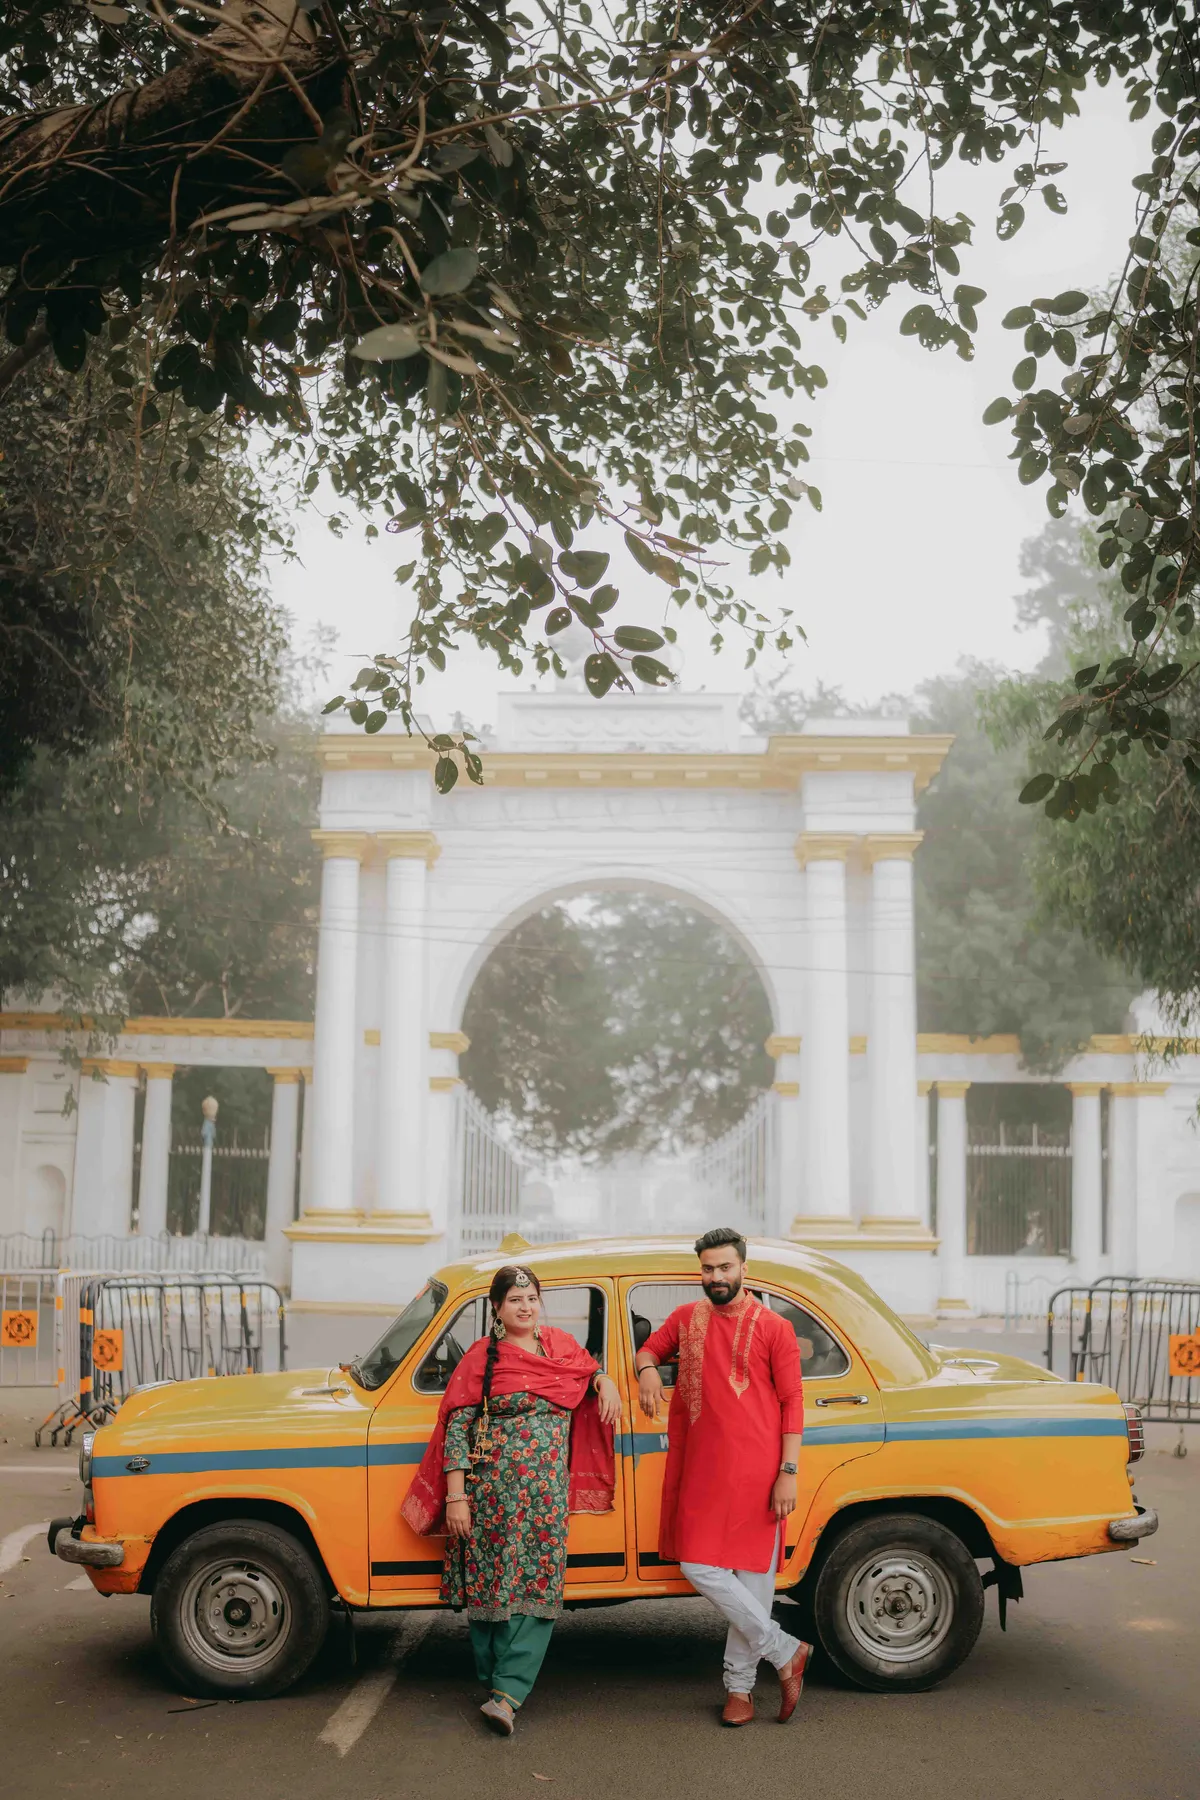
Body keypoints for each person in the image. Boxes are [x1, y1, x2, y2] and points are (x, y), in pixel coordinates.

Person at [402, 1264, 621, 1735]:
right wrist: (456, 1497)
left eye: (532, 1298)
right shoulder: (484, 1357)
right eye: (515, 1300)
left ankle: (508, 1694)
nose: (526, 1307)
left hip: (545, 1496)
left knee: (538, 1585)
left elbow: (587, 1369)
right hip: (489, 1495)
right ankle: (494, 1680)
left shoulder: (558, 1346)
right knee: (491, 1584)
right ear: (498, 1308)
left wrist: (606, 1381)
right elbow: (456, 1426)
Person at [634, 1226, 811, 1726]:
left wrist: (788, 1472)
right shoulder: (686, 1318)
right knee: (699, 1566)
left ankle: (740, 1690)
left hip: (760, 1473)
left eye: (725, 1267)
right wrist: (647, 1366)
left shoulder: (775, 1328)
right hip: (704, 1469)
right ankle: (785, 1650)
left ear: (743, 1269)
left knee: (753, 1584)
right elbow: (648, 1350)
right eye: (708, 1269)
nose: (716, 1277)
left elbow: (792, 1403)